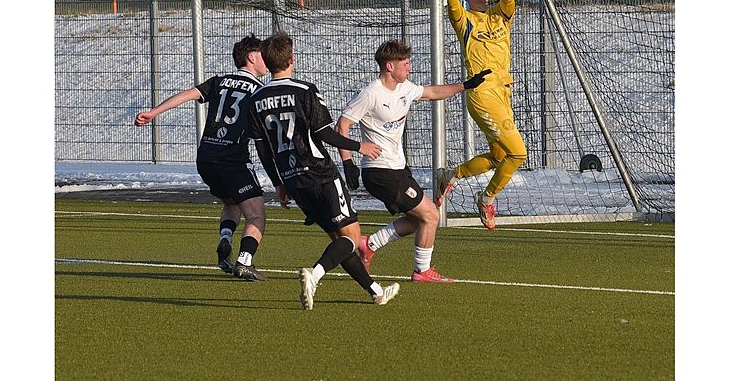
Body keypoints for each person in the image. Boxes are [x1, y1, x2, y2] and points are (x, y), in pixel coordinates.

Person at [245, 31, 400, 310]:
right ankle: (314, 275)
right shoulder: (304, 91)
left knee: (339, 241)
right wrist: (358, 146)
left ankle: (375, 291)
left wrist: (279, 183)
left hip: (293, 181)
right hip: (320, 173)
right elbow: (324, 133)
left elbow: (263, 149)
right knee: (351, 239)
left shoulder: (255, 99)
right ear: (292, 59)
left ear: (267, 64)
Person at [336, 40, 490, 282]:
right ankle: (422, 271)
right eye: (405, 64)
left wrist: (466, 85)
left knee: (419, 218)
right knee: (430, 216)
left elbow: (431, 92)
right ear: (390, 66)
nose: (409, 68)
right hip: (380, 172)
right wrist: (348, 162)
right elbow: (342, 125)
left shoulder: (405, 87)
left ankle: (370, 244)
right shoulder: (370, 93)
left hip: (398, 170)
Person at [134, 33, 271, 281]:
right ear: (251, 57)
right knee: (256, 214)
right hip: (233, 159)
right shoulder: (260, 90)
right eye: (263, 56)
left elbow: (187, 95)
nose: (267, 61)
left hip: (206, 156)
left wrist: (153, 112)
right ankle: (244, 261)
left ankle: (225, 240)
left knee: (232, 203)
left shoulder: (219, 81)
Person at [433, 0, 528, 230]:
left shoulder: (500, 17)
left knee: (500, 155)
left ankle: (452, 175)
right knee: (518, 153)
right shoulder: (465, 21)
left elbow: (510, 1)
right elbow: (451, 5)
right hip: (481, 94)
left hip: (503, 93)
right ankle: (486, 198)